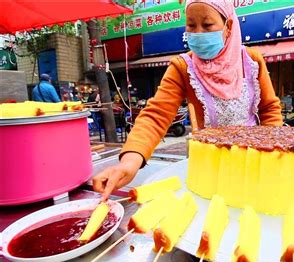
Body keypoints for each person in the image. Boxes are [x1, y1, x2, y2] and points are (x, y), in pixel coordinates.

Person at [93, 0, 282, 200]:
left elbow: (269, 110)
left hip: (253, 162)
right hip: (208, 167)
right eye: (191, 25)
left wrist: (274, 153)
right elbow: (156, 116)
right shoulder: (182, 67)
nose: (198, 33)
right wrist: (129, 162)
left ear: (228, 26)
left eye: (208, 25)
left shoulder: (252, 61)